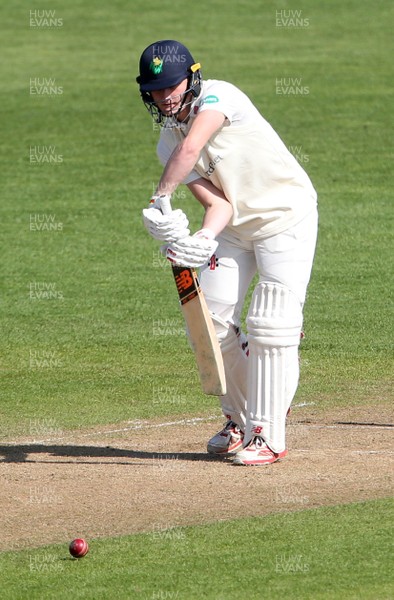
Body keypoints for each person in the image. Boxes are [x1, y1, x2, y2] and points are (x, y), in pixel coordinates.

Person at [137, 40, 318, 466]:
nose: (164, 96)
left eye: (171, 86)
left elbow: (191, 149)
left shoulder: (221, 96)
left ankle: (268, 435)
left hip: (285, 217)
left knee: (271, 324)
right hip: (235, 229)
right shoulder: (167, 142)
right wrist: (199, 240)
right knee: (211, 322)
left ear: (192, 77)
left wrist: (158, 198)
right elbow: (220, 205)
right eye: (155, 89)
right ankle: (238, 420)